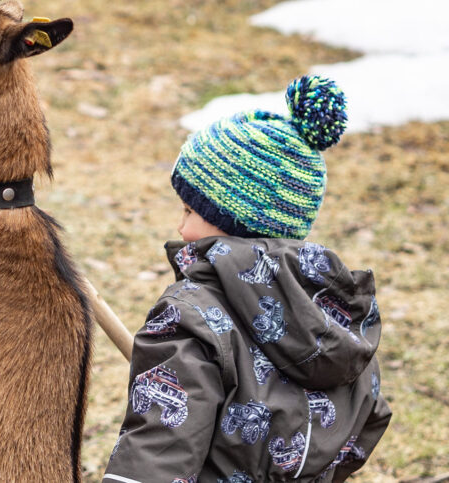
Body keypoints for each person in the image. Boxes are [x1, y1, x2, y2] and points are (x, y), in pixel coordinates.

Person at [103, 76, 391, 483]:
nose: (181, 229)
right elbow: (370, 414)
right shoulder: (340, 316)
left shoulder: (189, 316)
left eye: (189, 210)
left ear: (232, 220)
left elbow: (159, 448)